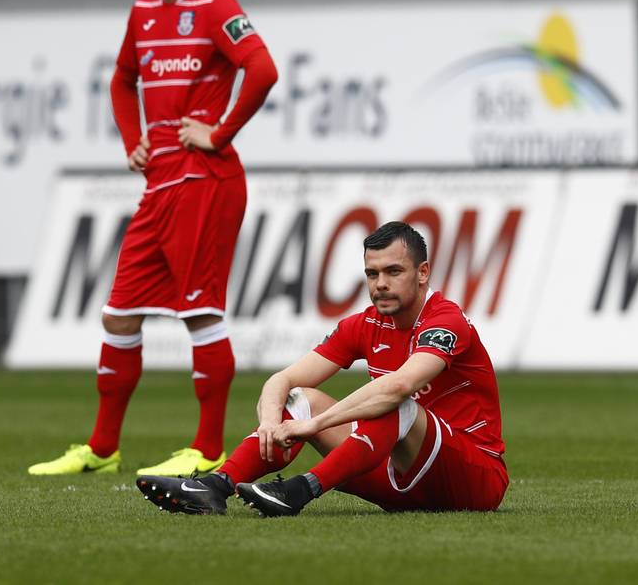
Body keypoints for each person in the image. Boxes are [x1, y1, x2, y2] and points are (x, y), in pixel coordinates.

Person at [28, 0, 279, 478]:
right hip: (162, 182)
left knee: (200, 313)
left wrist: (219, 132)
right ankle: (102, 448)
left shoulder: (215, 6)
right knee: (120, 315)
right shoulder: (143, 12)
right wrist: (132, 140)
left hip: (207, 180)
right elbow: (120, 80)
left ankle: (210, 448)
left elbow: (262, 69)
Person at [135, 221, 508, 516]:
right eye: (372, 273)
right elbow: (283, 380)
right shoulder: (363, 324)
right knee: (303, 399)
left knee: (396, 402)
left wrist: (314, 427)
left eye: (394, 271)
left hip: (473, 479)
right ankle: (215, 486)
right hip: (399, 479)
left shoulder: (446, 320)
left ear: (423, 273)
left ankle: (299, 490)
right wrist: (269, 423)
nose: (380, 284)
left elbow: (399, 387)